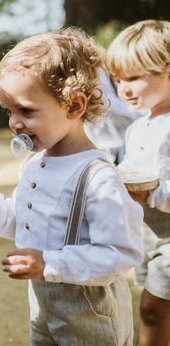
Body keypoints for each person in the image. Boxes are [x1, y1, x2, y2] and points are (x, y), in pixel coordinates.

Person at [0, 28, 143, 345]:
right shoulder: (34, 163)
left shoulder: (96, 177)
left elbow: (121, 254)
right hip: (42, 305)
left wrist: (49, 263)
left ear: (73, 107)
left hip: (90, 314)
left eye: (26, 110)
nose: (14, 123)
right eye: (9, 111)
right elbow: (22, 224)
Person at [105, 19, 170, 346]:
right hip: (148, 235)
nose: (124, 89)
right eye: (118, 81)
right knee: (156, 304)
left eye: (133, 78)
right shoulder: (138, 127)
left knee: (152, 309)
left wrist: (154, 192)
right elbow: (128, 170)